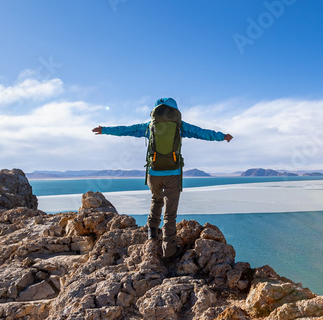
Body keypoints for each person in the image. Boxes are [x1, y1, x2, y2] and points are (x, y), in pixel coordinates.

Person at [93, 97, 232, 258]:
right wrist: (222, 136)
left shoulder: (149, 126)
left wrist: (104, 129)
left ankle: (152, 235)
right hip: (173, 173)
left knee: (156, 200)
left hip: (154, 173)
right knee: (170, 214)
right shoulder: (180, 126)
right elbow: (202, 133)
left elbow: (125, 130)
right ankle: (169, 250)